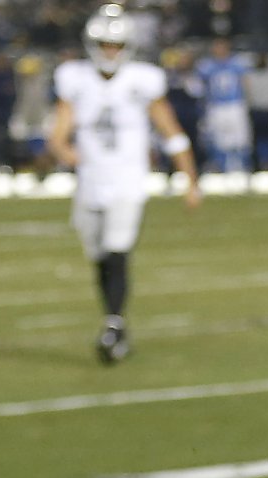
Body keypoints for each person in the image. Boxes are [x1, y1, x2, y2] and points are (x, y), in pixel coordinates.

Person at [48, 3, 202, 364]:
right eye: (104, 44)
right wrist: (63, 150)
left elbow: (172, 133)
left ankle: (114, 324)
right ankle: (114, 321)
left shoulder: (142, 80)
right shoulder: (75, 77)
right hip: (90, 181)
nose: (109, 52)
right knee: (99, 255)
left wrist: (189, 179)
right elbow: (60, 129)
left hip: (128, 180)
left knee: (118, 250)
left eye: (115, 45)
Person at [197, 37, 253, 173]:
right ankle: (221, 167)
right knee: (218, 138)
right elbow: (200, 86)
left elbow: (245, 82)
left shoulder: (237, 63)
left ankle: (242, 167)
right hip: (216, 105)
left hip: (235, 104)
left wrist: (247, 101)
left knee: (240, 138)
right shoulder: (207, 65)